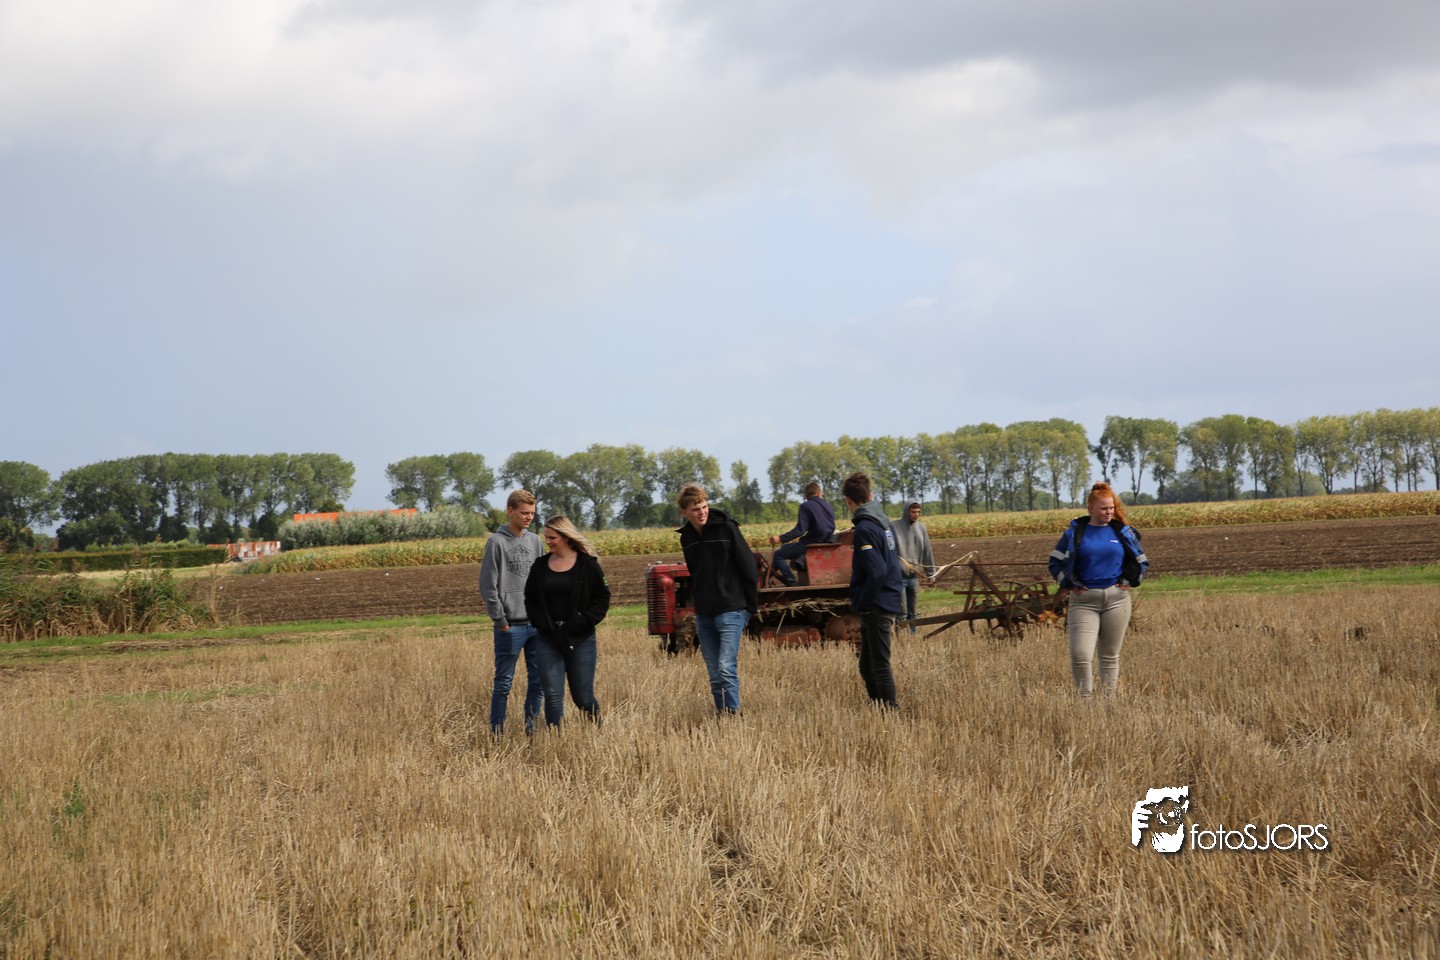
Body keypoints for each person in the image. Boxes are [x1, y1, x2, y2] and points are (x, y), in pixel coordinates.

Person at [1048, 481, 1148, 698]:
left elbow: (1141, 560)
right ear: (1091, 509)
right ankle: (1085, 701)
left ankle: (1109, 702)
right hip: (1084, 602)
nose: (1109, 512)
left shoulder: (1123, 532)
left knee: (1110, 656)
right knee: (1080, 655)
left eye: (1111, 508)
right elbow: (1054, 563)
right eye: (1103, 508)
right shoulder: (1074, 534)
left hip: (1117, 601)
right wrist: (1070, 584)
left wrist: (1130, 581)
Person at [676, 484, 758, 714]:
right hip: (704, 613)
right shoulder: (687, 538)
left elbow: (749, 567)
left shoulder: (727, 528)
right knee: (714, 673)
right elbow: (696, 573)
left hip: (731, 609)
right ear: (684, 512)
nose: (702, 512)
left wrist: (750, 607)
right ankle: (722, 716)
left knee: (725, 667)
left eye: (704, 506)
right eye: (695, 509)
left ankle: (733, 715)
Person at [523, 516, 611, 727]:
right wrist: (540, 623)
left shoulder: (587, 565)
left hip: (581, 639)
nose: (548, 542)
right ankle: (556, 738)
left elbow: (602, 597)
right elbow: (530, 598)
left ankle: (597, 728)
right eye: (546, 537)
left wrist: (585, 621)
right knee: (553, 696)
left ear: (566, 537)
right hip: (548, 639)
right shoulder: (540, 566)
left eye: (552, 537)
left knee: (583, 697)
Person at [478, 490, 545, 733]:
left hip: (536, 625)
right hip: (511, 627)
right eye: (524, 512)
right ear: (510, 511)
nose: (529, 517)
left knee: (538, 682)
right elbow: (488, 586)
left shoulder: (535, 541)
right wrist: (501, 621)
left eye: (532, 513)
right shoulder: (496, 543)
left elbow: (542, 581)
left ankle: (531, 730)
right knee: (504, 683)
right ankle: (497, 733)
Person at [841, 472, 904, 709]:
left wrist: (864, 602)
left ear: (848, 501)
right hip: (887, 598)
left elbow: (876, 572)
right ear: (870, 495)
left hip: (878, 604)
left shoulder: (866, 528)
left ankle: (890, 710)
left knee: (879, 665)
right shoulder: (884, 524)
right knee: (866, 665)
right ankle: (877, 708)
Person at [767, 481, 837, 586]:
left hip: (812, 544)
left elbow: (800, 530)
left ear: (806, 495)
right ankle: (767, 576)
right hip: (826, 541)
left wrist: (780, 538)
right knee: (784, 548)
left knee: (778, 555)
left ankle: (791, 581)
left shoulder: (806, 506)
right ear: (819, 492)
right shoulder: (828, 505)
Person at [891, 500, 936, 633]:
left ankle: (912, 636)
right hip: (898, 576)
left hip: (913, 576)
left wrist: (931, 574)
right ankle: (902, 637)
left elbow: (927, 551)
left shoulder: (921, 528)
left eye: (918, 512)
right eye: (913, 512)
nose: (916, 515)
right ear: (906, 511)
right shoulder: (893, 527)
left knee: (913, 610)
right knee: (902, 611)